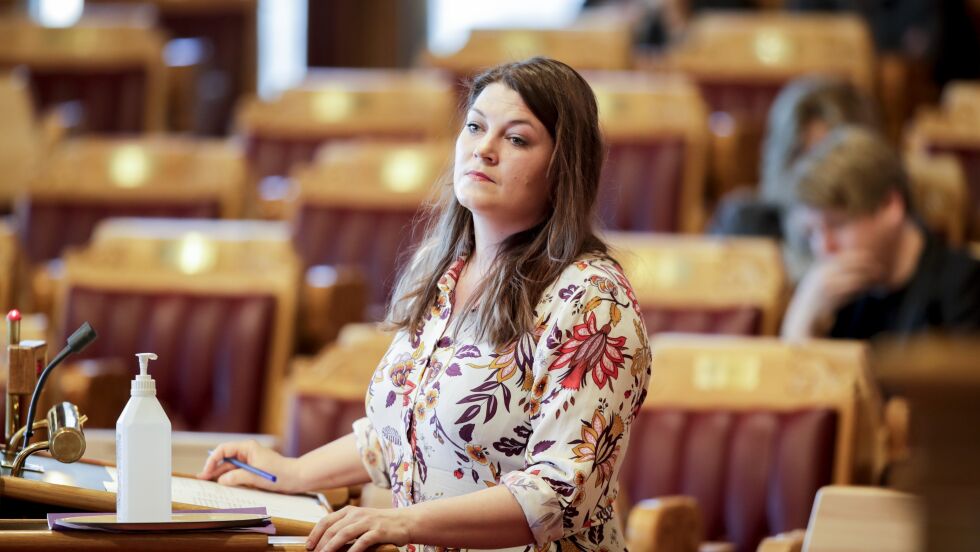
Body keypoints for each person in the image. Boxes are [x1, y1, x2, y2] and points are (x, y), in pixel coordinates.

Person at [199, 57, 652, 552]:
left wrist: (402, 524)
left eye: (517, 139)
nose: (484, 148)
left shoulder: (593, 300)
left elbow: (558, 495)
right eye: (475, 127)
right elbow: (408, 431)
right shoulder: (445, 271)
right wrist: (291, 471)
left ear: (564, 166)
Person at [780, 126, 980, 340]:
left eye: (837, 225)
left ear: (890, 206)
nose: (823, 247)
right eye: (812, 233)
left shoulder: (965, 284)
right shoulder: (835, 296)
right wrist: (802, 317)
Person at [710, 76, 879, 281]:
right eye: (803, 155)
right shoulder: (744, 224)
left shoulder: (877, 230)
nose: (814, 172)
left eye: (828, 155)